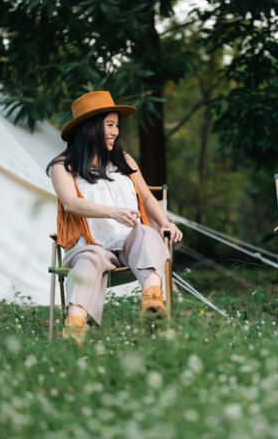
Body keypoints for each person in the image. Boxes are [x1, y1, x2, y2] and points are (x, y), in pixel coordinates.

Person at [47, 90, 183, 345]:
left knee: (147, 232)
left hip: (129, 244)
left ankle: (153, 303)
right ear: (90, 128)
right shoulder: (63, 167)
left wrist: (165, 222)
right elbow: (71, 203)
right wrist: (113, 212)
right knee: (90, 257)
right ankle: (74, 328)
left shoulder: (124, 161)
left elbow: (146, 196)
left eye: (116, 126)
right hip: (91, 244)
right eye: (109, 125)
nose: (115, 132)